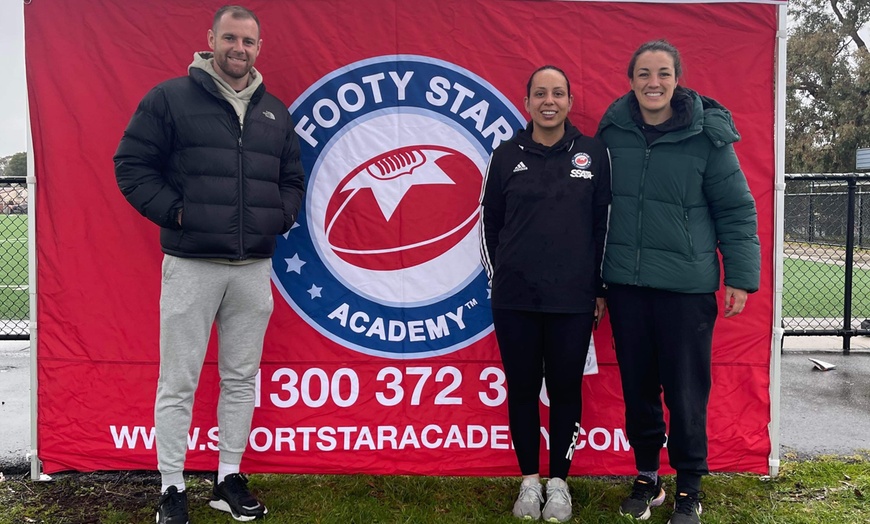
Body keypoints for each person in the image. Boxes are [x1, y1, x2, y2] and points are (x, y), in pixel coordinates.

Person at [114, 5, 304, 523]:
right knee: (179, 379)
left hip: (252, 268)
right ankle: (171, 487)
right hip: (192, 262)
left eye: (247, 41)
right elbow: (130, 165)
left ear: (258, 48)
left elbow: (293, 177)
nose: (238, 49)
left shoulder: (274, 112)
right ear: (210, 40)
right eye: (229, 38)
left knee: (242, 377)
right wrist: (178, 213)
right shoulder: (170, 99)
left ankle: (227, 478)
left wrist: (277, 220)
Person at [596, 40, 761, 524]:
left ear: (677, 79)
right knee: (639, 388)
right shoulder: (611, 132)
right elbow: (595, 212)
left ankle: (689, 487)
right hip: (626, 285)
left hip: (687, 290)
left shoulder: (707, 137)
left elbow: (735, 209)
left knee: (686, 391)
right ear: (631, 80)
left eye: (663, 73)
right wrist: (597, 284)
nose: (653, 82)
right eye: (644, 73)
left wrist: (741, 277)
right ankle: (648, 477)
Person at [479, 65, 611, 522]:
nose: (548, 101)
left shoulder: (593, 154)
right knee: (521, 390)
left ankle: (559, 483)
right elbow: (488, 223)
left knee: (565, 391)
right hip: (515, 299)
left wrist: (598, 287)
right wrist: (501, 277)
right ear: (528, 101)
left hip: (573, 301)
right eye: (540, 93)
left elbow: (603, 226)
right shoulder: (505, 154)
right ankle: (529, 483)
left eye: (557, 93)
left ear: (570, 102)